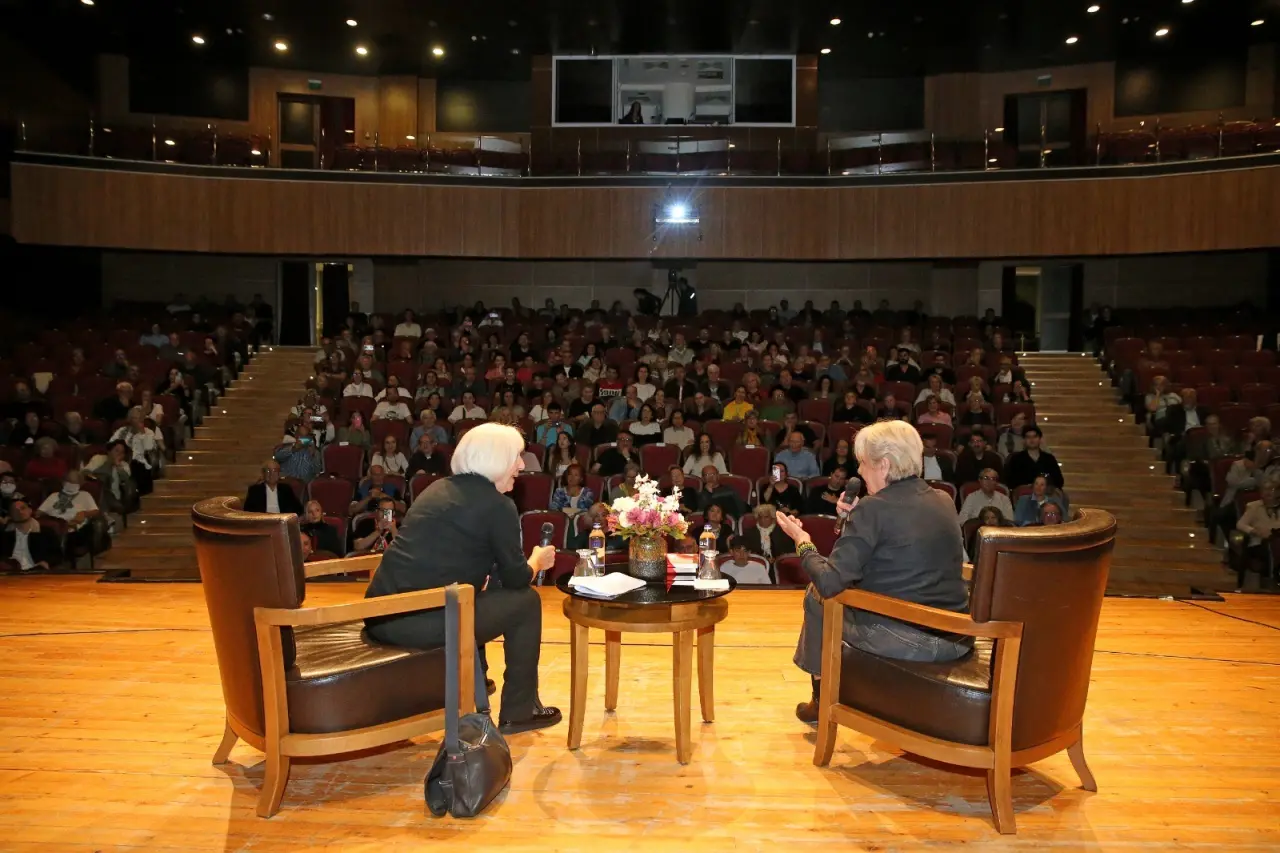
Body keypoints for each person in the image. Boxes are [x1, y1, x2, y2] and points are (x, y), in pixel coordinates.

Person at [363, 423, 561, 734]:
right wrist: (536, 561)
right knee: (526, 602)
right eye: (517, 456)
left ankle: (477, 680)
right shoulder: (498, 506)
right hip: (418, 623)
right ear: (496, 459)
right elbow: (516, 578)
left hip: (380, 615)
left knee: (474, 593)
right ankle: (519, 711)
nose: (522, 465)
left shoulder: (435, 489)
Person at [774, 420, 971, 724]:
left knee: (817, 597)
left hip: (909, 639)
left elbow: (830, 582)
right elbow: (903, 536)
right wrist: (858, 520)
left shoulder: (873, 509)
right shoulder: (943, 498)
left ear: (885, 464)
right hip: (954, 634)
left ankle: (821, 696)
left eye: (864, 463)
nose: (860, 472)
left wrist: (803, 543)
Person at [1, 499, 60, 572]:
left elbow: (58, 555)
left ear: (30, 510)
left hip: (37, 571)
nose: (20, 512)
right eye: (15, 510)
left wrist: (47, 562)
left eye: (23, 508)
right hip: (10, 573)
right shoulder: (5, 534)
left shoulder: (45, 532)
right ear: (10, 514)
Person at [1003, 425, 1064, 490]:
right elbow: (1010, 481)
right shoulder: (1016, 459)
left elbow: (1059, 481)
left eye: (1035, 437)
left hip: (1046, 494)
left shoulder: (1049, 458)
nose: (1032, 440)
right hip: (1024, 494)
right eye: (1028, 437)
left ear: (1040, 439)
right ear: (1024, 440)